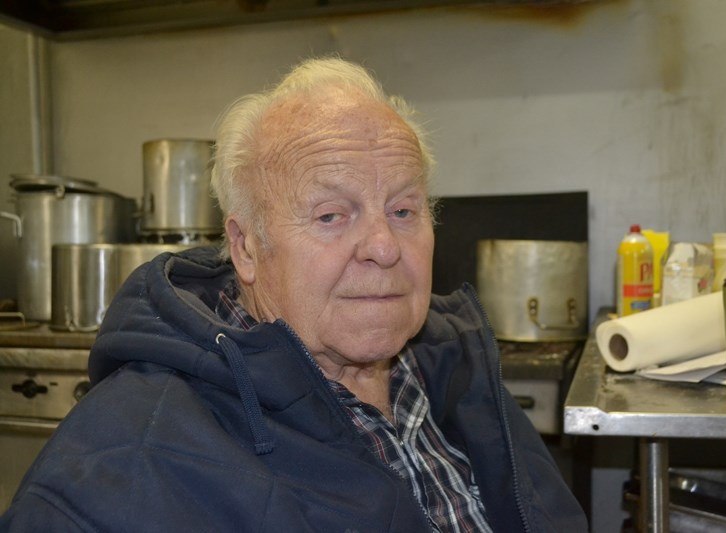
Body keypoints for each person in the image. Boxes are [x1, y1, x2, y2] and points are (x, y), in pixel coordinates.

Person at [0, 57, 587, 532]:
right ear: (247, 247)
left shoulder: (456, 366)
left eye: (404, 209)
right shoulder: (132, 456)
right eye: (333, 215)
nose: (384, 246)